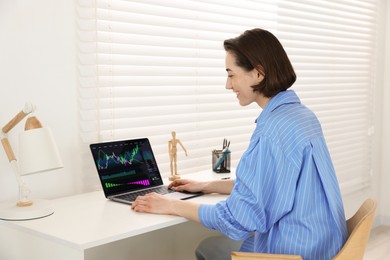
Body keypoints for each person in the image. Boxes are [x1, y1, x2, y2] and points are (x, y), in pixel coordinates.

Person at [131, 28, 347, 260]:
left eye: (231, 74)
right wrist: (207, 185)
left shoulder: (272, 131)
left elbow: (238, 219)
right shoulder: (300, 116)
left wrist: (170, 205)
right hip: (324, 244)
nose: (227, 85)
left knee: (208, 248)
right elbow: (269, 185)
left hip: (294, 252)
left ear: (259, 74)